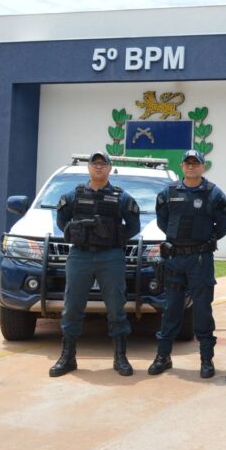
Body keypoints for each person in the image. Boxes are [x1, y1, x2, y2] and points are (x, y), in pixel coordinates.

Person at [51, 151, 142, 377]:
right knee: (72, 306)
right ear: (89, 168)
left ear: (110, 169)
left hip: (110, 257)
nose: (99, 167)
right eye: (95, 164)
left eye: (103, 164)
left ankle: (120, 357)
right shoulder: (74, 196)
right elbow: (62, 221)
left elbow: (134, 225)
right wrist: (78, 234)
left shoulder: (121, 198)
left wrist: (114, 237)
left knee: (115, 308)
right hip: (80, 256)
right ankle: (68, 357)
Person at [148, 149, 226, 379]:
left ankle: (206, 360)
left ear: (203, 167)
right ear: (182, 167)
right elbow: (163, 221)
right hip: (175, 259)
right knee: (171, 309)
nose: (192, 166)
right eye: (188, 163)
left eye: (196, 163)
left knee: (203, 310)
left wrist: (202, 241)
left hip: (200, 260)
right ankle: (163, 356)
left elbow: (223, 227)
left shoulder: (213, 194)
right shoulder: (169, 191)